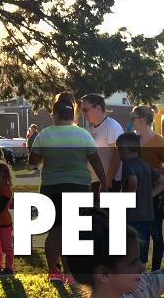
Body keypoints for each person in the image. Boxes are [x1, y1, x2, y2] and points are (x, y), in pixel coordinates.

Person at [28, 94, 108, 283]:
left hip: (51, 187)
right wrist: (104, 182)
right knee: (73, 231)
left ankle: (53, 271)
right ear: (72, 115)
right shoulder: (83, 135)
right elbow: (95, 161)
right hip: (78, 187)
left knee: (55, 231)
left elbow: (33, 162)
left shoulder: (44, 134)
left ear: (54, 114)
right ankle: (70, 273)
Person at [130, 104, 164, 271]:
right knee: (138, 231)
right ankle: (139, 266)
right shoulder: (133, 140)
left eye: (133, 118)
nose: (131, 122)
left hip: (155, 192)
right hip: (136, 190)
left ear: (143, 120)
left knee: (156, 233)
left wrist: (150, 171)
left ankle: (156, 270)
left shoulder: (159, 141)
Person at [118, 132, 164, 266]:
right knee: (142, 253)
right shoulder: (145, 165)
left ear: (124, 150)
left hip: (132, 216)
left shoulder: (128, 164)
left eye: (118, 149)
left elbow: (132, 180)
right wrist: (148, 195)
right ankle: (141, 274)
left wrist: (129, 197)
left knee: (130, 251)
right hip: (147, 215)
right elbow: (163, 182)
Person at [78, 93, 123, 193]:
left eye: (85, 110)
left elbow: (118, 155)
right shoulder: (90, 129)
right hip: (94, 182)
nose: (83, 114)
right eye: (82, 111)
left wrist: (107, 180)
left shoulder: (111, 126)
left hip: (110, 183)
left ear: (98, 108)